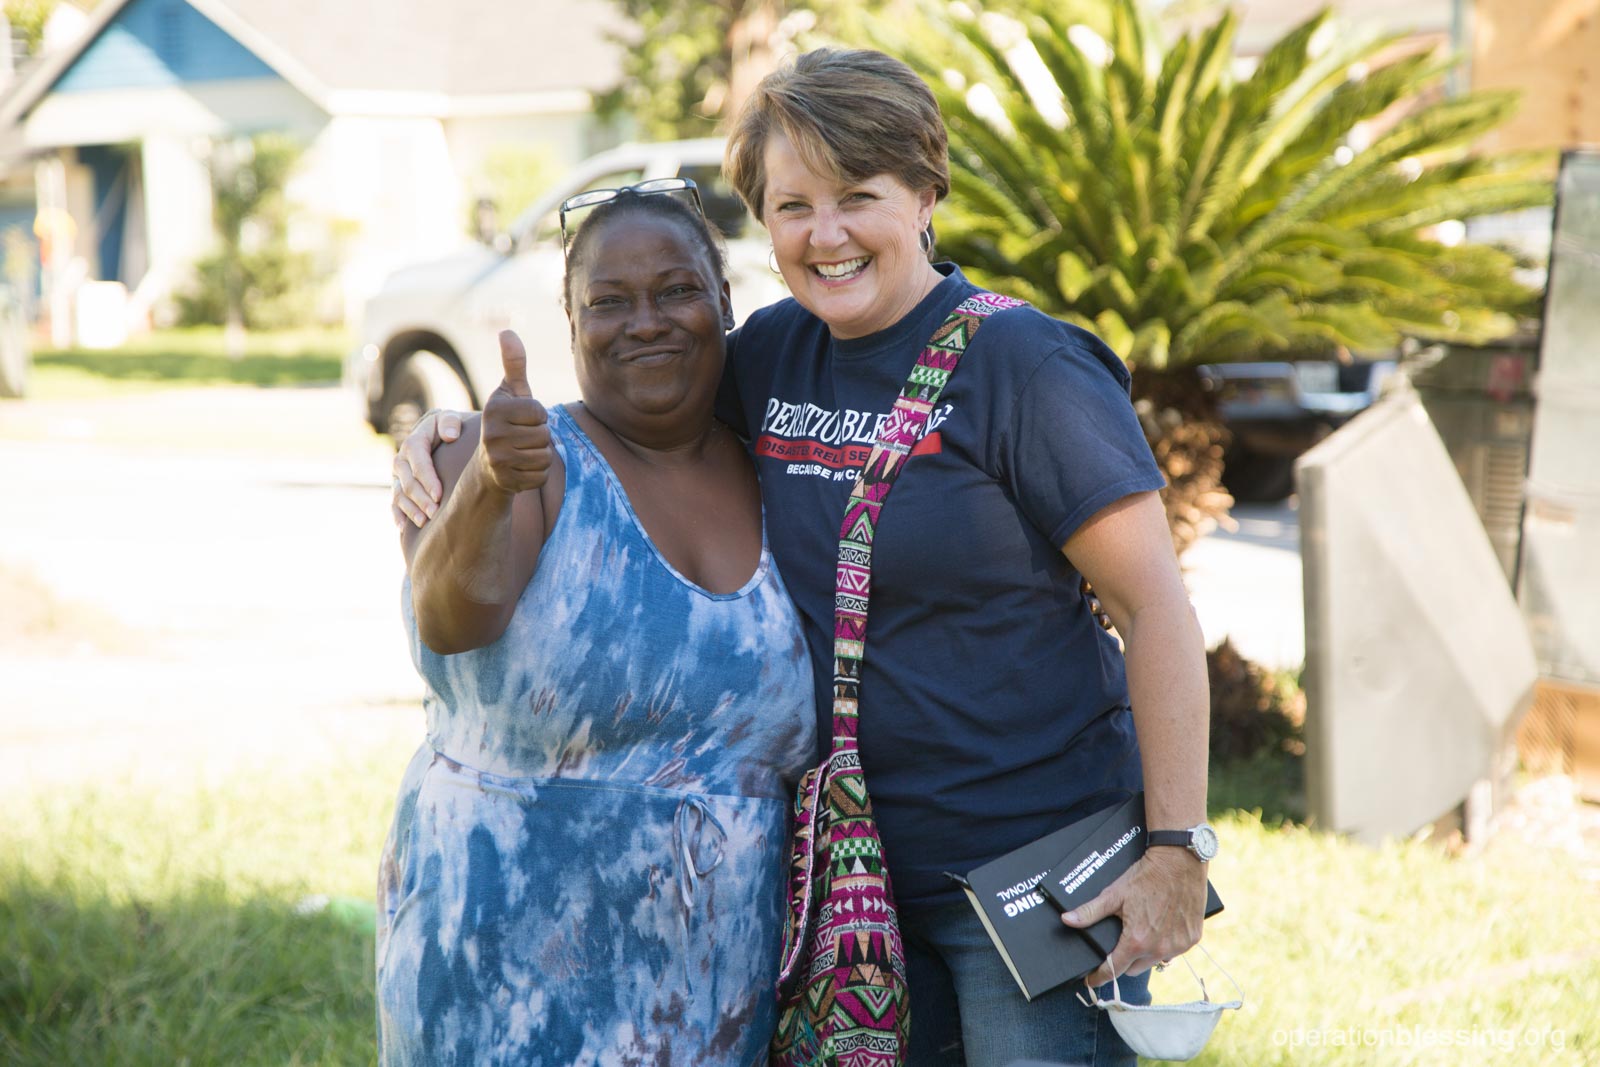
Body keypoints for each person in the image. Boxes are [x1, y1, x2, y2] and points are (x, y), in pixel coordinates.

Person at [394, 48, 1211, 1067]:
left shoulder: (1025, 368)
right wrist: (452, 438)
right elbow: (634, 389)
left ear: (925, 192)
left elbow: (1154, 608)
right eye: (792, 205)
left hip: (1033, 870)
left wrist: (1178, 847)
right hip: (840, 878)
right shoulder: (774, 354)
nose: (825, 236)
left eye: (857, 196)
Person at [377, 185, 817, 1064]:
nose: (644, 321)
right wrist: (493, 483)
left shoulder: (779, 464)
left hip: (710, 996)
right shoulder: (522, 455)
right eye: (609, 301)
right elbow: (451, 618)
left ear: (725, 304)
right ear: (570, 322)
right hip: (504, 985)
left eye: (676, 291)